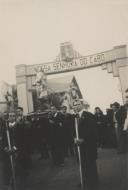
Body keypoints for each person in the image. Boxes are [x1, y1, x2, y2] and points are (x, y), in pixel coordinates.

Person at [74, 100, 99, 190]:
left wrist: (83, 139)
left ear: (82, 105)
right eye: (74, 105)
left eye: (78, 104)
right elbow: (73, 130)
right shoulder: (75, 117)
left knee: (90, 163)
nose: (76, 106)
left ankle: (93, 182)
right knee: (82, 163)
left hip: (88, 144)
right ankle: (84, 180)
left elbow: (92, 130)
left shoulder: (89, 115)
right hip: (79, 145)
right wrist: (74, 138)